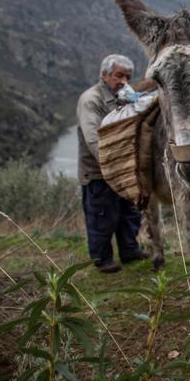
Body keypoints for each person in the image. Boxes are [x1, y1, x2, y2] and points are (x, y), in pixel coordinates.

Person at [77, 54, 148, 273]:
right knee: (102, 216)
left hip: (125, 170)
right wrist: (112, 166)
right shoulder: (91, 100)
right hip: (99, 173)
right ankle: (102, 259)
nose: (123, 81)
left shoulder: (124, 96)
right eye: (119, 76)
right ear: (104, 75)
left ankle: (129, 250)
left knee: (129, 213)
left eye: (127, 77)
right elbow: (93, 139)